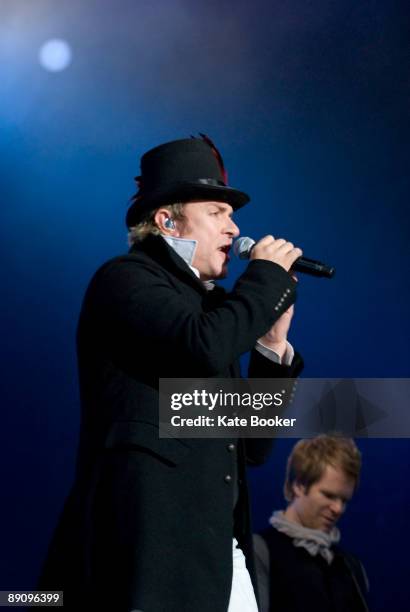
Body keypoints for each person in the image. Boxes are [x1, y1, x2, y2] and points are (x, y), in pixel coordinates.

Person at [39, 135, 304, 611]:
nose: (234, 227)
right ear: (167, 220)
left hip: (218, 561)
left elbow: (253, 442)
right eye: (216, 212)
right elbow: (201, 347)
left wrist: (270, 344)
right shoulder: (125, 280)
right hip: (151, 561)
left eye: (231, 214)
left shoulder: (211, 313)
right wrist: (264, 281)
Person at [254, 435, 369, 612]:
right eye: (329, 495)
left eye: (344, 500)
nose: (338, 508)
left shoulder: (351, 566)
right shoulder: (260, 551)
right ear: (299, 485)